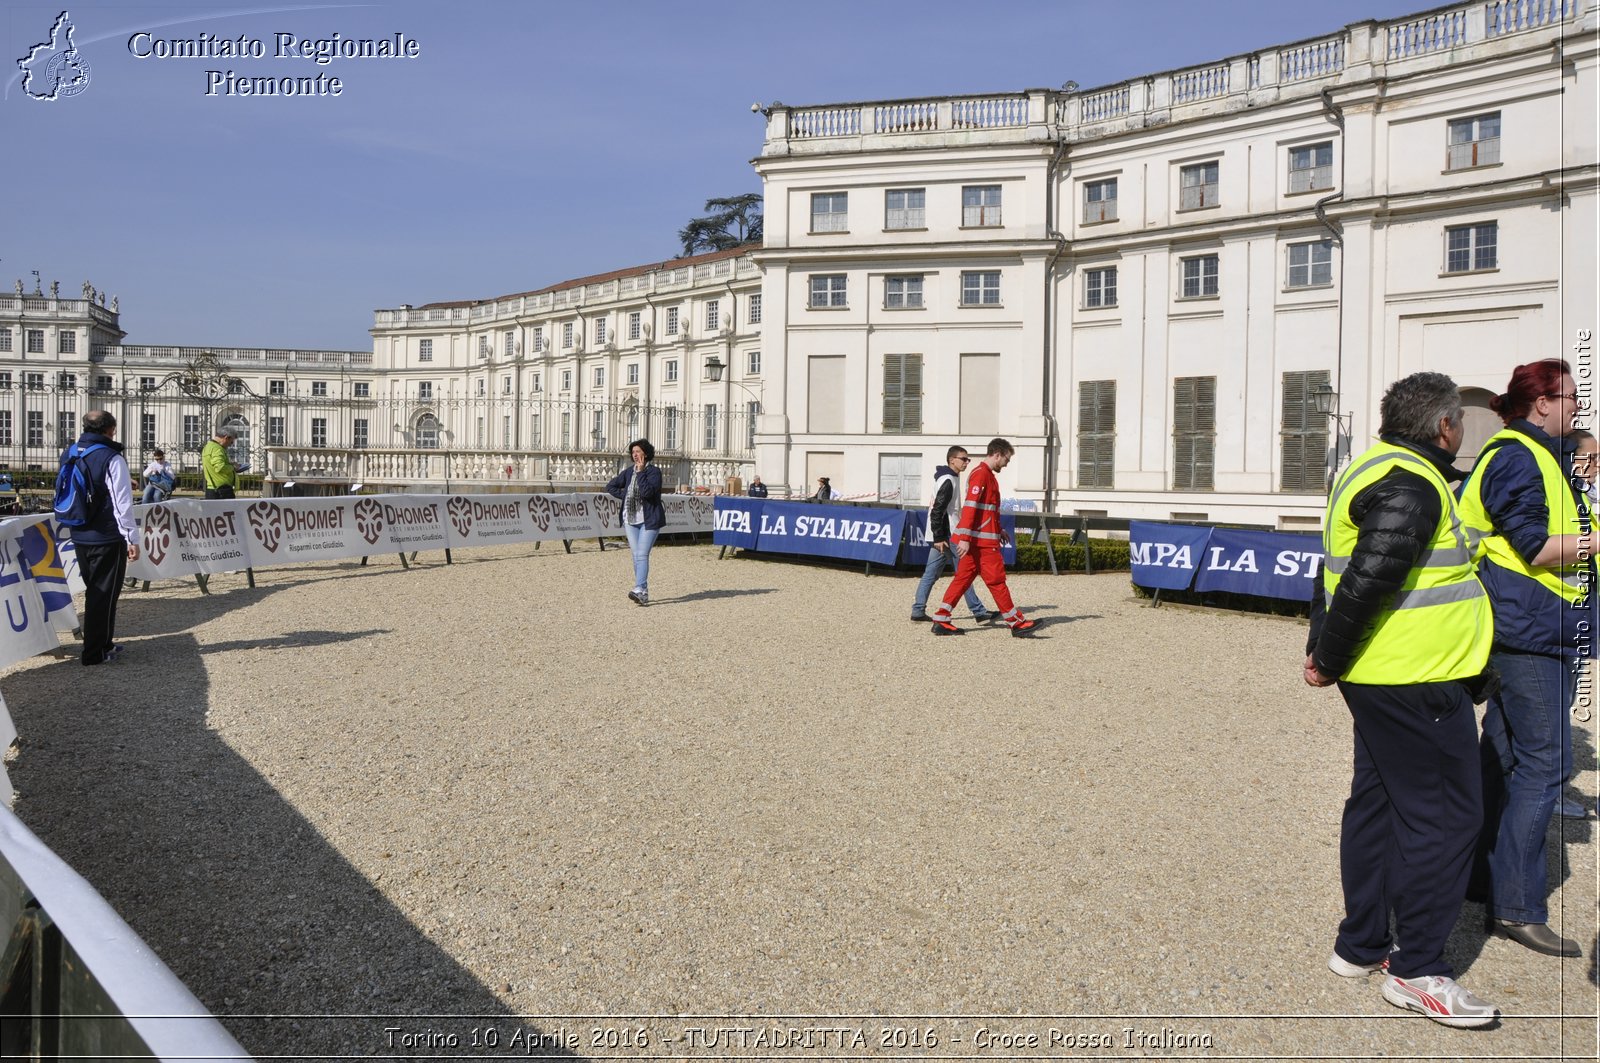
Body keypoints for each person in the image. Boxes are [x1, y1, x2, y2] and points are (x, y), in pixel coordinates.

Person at [1305, 372, 1497, 1028]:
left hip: (1382, 673)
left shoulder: (1370, 466)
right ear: (1445, 426)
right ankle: (1417, 969)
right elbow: (1365, 577)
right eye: (1461, 422)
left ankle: (1359, 946)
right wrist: (1326, 657)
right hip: (1416, 679)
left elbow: (1329, 569)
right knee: (1447, 818)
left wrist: (1324, 648)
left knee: (1380, 801)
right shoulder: (1414, 482)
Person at [1458, 358, 1592, 958]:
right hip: (1530, 635)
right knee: (1546, 765)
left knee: (1506, 759)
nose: (1577, 409)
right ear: (1541, 402)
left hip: (1538, 630)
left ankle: (1479, 882)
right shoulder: (1518, 456)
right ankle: (1516, 908)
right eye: (1570, 399)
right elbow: (1535, 548)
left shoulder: (1540, 455)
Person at [930, 438, 1035, 637]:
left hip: (979, 541)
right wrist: (966, 538)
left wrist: (998, 530)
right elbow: (971, 507)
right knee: (996, 580)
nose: (1007, 463)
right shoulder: (982, 475)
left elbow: (985, 510)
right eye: (1006, 459)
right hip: (981, 543)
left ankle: (941, 618)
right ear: (997, 454)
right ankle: (1015, 622)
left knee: (962, 579)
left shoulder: (984, 475)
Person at [60, 410, 141, 666]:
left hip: (80, 531)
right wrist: (131, 538)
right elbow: (122, 504)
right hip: (106, 535)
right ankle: (94, 652)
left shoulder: (71, 451)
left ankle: (103, 642)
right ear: (111, 429)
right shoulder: (111, 457)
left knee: (96, 590)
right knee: (103, 593)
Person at [910, 446, 992, 623]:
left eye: (967, 459)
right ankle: (978, 612)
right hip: (949, 535)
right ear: (952, 460)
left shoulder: (947, 478)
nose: (966, 463)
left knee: (931, 574)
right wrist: (940, 537)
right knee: (965, 572)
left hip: (942, 535)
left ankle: (918, 610)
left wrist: (937, 536)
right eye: (963, 459)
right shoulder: (949, 480)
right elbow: (938, 510)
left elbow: (939, 509)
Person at [606, 438, 665, 606]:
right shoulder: (627, 472)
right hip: (630, 519)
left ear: (645, 454)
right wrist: (625, 496)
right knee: (635, 556)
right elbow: (610, 486)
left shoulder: (654, 472)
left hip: (649, 520)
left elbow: (647, 493)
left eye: (638, 451)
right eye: (633, 452)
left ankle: (639, 587)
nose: (635, 455)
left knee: (642, 555)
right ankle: (643, 592)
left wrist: (640, 472)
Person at [201, 427, 241, 500]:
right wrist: (233, 467)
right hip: (221, 491)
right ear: (226, 438)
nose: (230, 445)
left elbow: (215, 464)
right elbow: (220, 467)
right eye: (231, 442)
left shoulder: (208, 447)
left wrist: (229, 463)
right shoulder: (217, 449)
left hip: (214, 488)